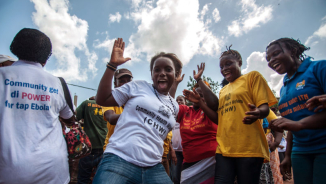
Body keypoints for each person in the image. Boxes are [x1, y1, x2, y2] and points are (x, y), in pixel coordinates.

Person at [93, 38, 183, 184]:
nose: (162, 73)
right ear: (152, 73)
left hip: (154, 166)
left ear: (176, 73)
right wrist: (112, 65)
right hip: (119, 159)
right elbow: (102, 100)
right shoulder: (138, 87)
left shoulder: (175, 106)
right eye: (157, 69)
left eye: (168, 69)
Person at [0, 28, 74, 184]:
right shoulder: (57, 83)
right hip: (54, 171)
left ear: (14, 48)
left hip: (8, 171)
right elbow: (70, 119)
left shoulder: (3, 76)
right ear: (46, 58)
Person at [203, 46, 278, 184]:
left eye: (228, 63)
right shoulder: (223, 90)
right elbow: (221, 119)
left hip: (249, 148)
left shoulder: (253, 77)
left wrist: (258, 113)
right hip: (224, 149)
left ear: (239, 62)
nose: (224, 68)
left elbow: (265, 108)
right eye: (221, 66)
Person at [266, 38, 326, 184]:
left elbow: (296, 124)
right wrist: (288, 155)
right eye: (268, 58)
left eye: (276, 54)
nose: (271, 60)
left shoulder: (319, 68)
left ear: (292, 51)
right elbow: (290, 125)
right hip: (300, 151)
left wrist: (299, 124)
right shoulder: (284, 87)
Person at [180, 79, 219, 184]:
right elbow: (168, 107)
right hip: (189, 163)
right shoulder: (185, 110)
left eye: (202, 95)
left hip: (210, 162)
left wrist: (201, 102)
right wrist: (174, 83)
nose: (197, 96)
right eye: (196, 93)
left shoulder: (210, 112)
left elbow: (217, 115)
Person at [75, 97, 108, 184]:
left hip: (88, 146)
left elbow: (75, 118)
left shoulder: (87, 103)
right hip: (105, 146)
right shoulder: (109, 105)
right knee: (101, 179)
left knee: (83, 179)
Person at [102, 68, 133, 151]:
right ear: (115, 84)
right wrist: (136, 114)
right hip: (113, 150)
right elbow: (111, 118)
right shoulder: (109, 100)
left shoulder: (136, 100)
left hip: (131, 151)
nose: (126, 84)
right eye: (122, 81)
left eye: (128, 81)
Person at [170, 95, 186, 184]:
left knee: (185, 175)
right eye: (177, 100)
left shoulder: (188, 115)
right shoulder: (172, 117)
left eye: (181, 100)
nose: (179, 101)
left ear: (185, 103)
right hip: (175, 152)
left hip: (186, 151)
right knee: (175, 176)